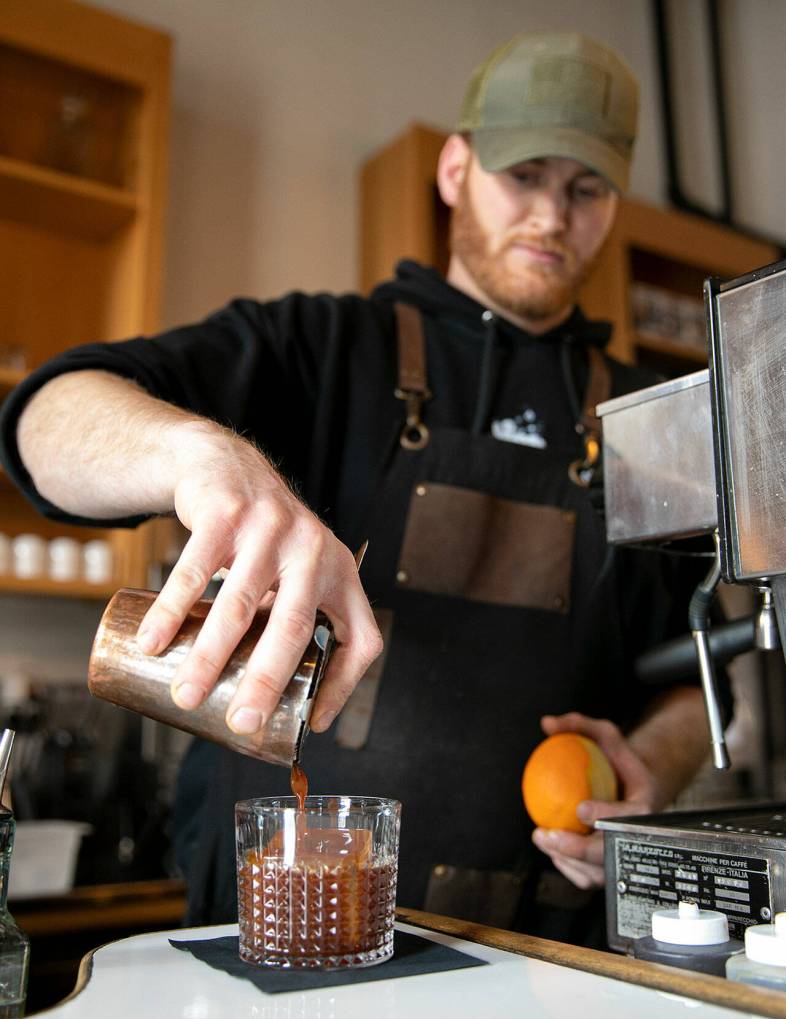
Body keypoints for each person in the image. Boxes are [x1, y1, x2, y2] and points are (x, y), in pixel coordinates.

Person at [0, 31, 729, 946]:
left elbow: (705, 675)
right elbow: (44, 417)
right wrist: (202, 457)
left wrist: (653, 766)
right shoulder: (324, 345)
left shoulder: (642, 419)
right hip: (270, 931)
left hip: (545, 949)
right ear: (456, 169)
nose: (552, 215)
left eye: (586, 190)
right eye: (525, 175)